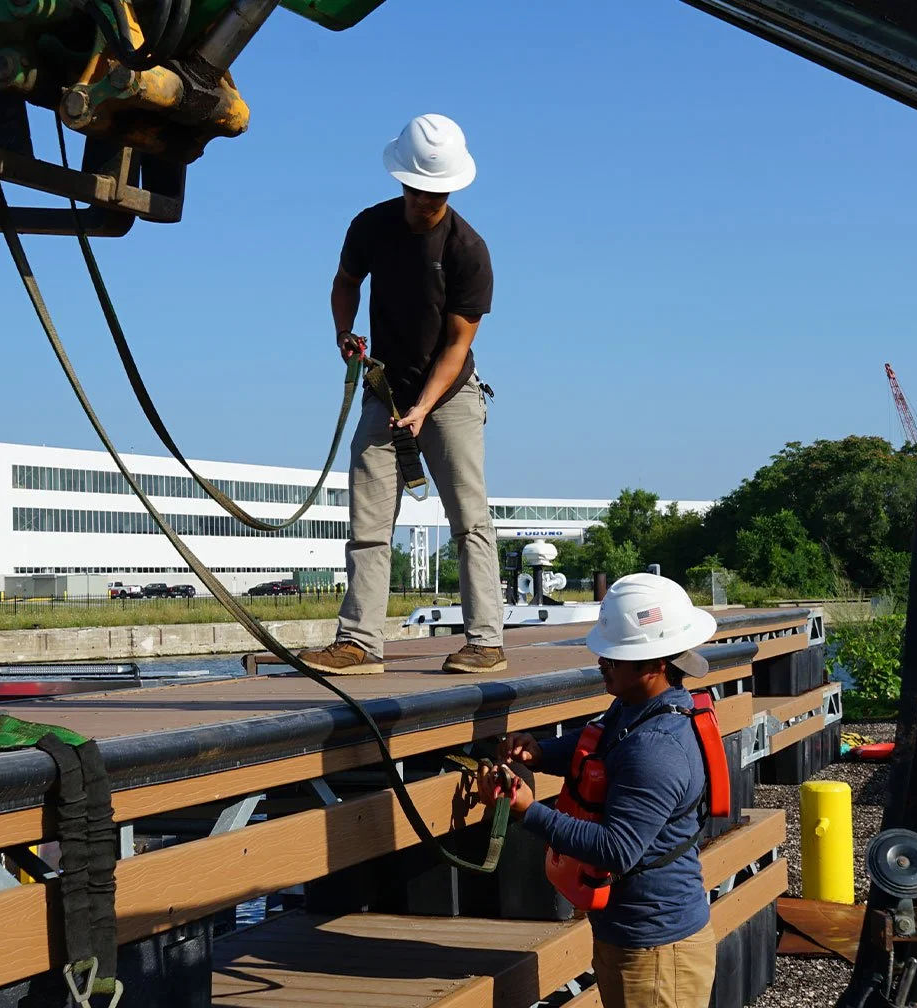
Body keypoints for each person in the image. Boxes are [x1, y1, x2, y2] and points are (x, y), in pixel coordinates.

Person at [298, 114, 505, 676]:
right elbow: (345, 282)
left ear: (451, 188)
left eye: (433, 192)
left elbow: (457, 347)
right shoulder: (371, 226)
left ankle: (485, 642)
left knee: (469, 520)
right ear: (401, 179)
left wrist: (422, 409)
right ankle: (359, 644)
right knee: (367, 523)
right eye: (414, 188)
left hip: (450, 396)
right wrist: (343, 332)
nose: (422, 200)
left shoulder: (468, 250)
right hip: (384, 390)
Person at [477, 574, 719, 1008]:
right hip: (633, 936)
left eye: (614, 656)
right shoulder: (636, 706)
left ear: (654, 664)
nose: (602, 662)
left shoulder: (657, 749)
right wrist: (541, 753)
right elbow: (603, 742)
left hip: (656, 952)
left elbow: (616, 849)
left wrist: (526, 810)